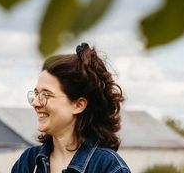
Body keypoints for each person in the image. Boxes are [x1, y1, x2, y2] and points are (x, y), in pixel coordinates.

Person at [11, 43, 131, 173]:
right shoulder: (28, 162)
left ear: (78, 105)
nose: (35, 102)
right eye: (36, 94)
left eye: (46, 94)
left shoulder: (108, 167)